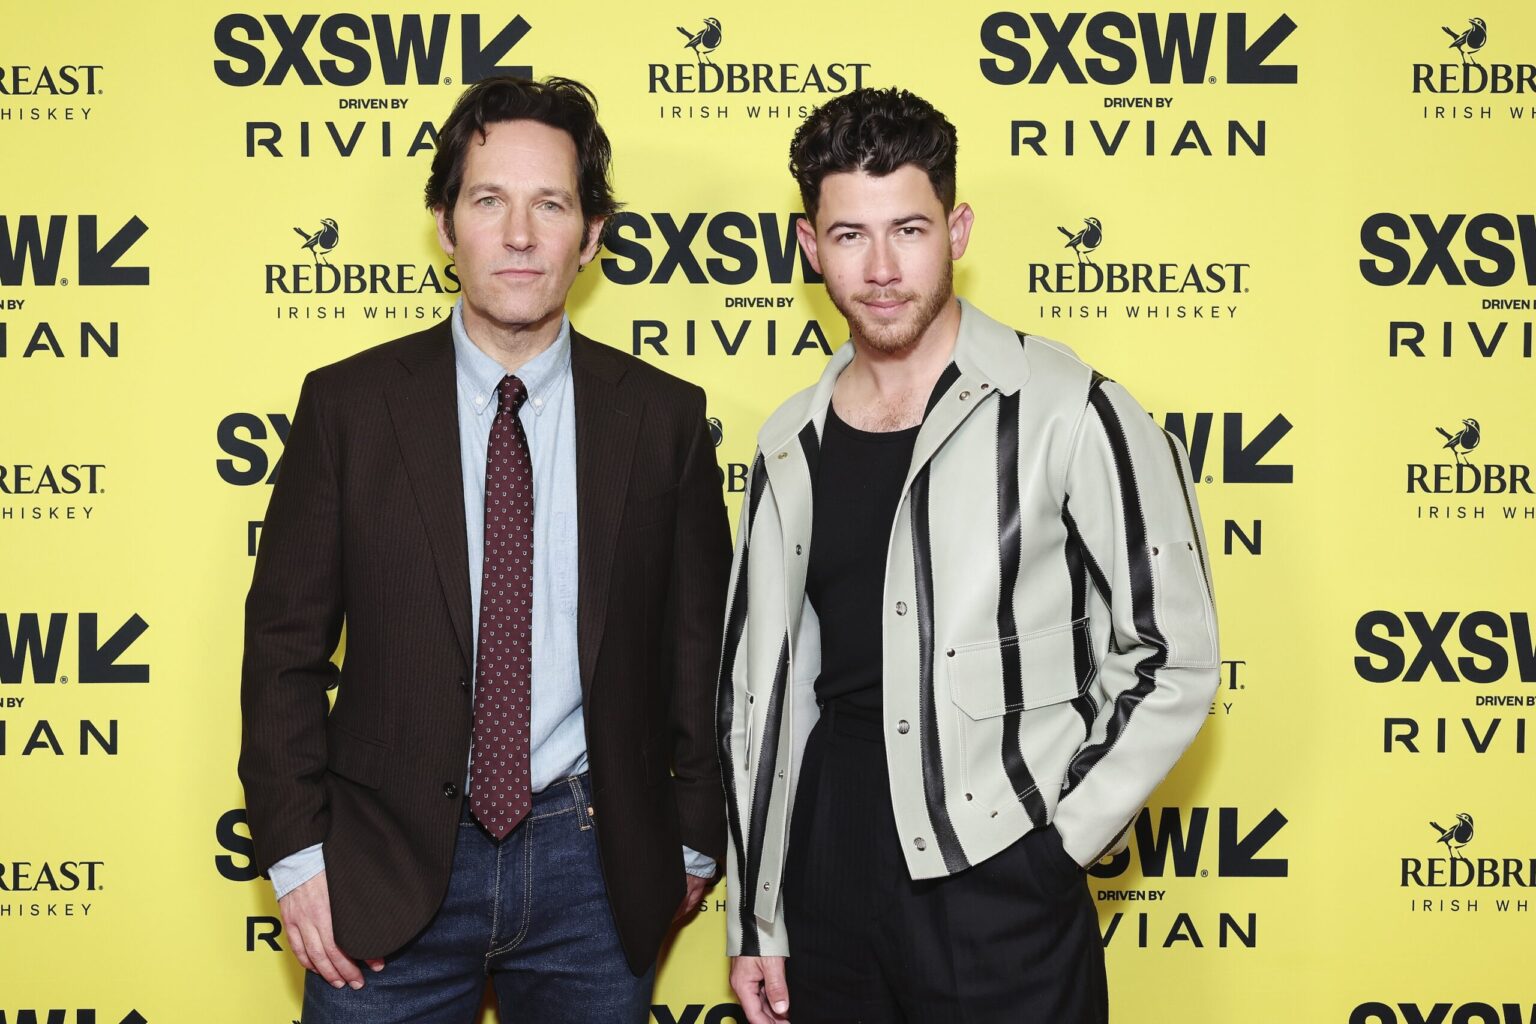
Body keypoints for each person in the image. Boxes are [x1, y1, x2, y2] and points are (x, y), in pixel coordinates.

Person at [718, 87, 1221, 1024]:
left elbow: (1173, 654)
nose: (879, 268)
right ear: (807, 246)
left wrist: (1057, 843)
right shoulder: (789, 440)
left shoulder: (1069, 408)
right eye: (849, 236)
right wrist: (756, 917)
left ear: (957, 229)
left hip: (999, 876)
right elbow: (763, 699)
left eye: (908, 228)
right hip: (827, 884)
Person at [240, 75, 730, 1023]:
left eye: (550, 204)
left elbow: (696, 655)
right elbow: (283, 651)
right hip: (380, 865)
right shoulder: (348, 408)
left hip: (596, 868)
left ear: (589, 236)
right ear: (444, 224)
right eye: (488, 201)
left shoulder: (664, 419)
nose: (517, 234)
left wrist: (694, 843)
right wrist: (298, 858)